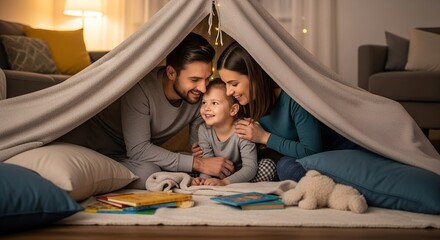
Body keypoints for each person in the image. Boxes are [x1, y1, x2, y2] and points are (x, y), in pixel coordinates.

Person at [57, 33, 235, 189]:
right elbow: (139, 149)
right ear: (171, 73)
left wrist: (205, 156)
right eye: (194, 79)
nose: (203, 88)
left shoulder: (199, 98)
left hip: (129, 158)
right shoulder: (141, 88)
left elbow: (197, 149)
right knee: (154, 172)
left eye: (207, 78)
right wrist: (198, 163)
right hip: (92, 147)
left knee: (150, 173)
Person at [216, 42, 361, 182]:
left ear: (255, 77)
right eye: (226, 84)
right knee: (286, 168)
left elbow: (312, 150)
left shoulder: (295, 98)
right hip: (297, 157)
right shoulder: (245, 103)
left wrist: (264, 137)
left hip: (334, 149)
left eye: (234, 84)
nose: (229, 91)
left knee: (287, 168)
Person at [191, 78, 258, 186]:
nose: (206, 108)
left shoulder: (243, 129)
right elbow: (207, 163)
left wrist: (224, 182)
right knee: (190, 168)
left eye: (214, 103)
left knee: (267, 166)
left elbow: (250, 168)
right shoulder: (204, 130)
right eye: (204, 102)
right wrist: (203, 180)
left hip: (242, 175)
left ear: (233, 110)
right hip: (218, 173)